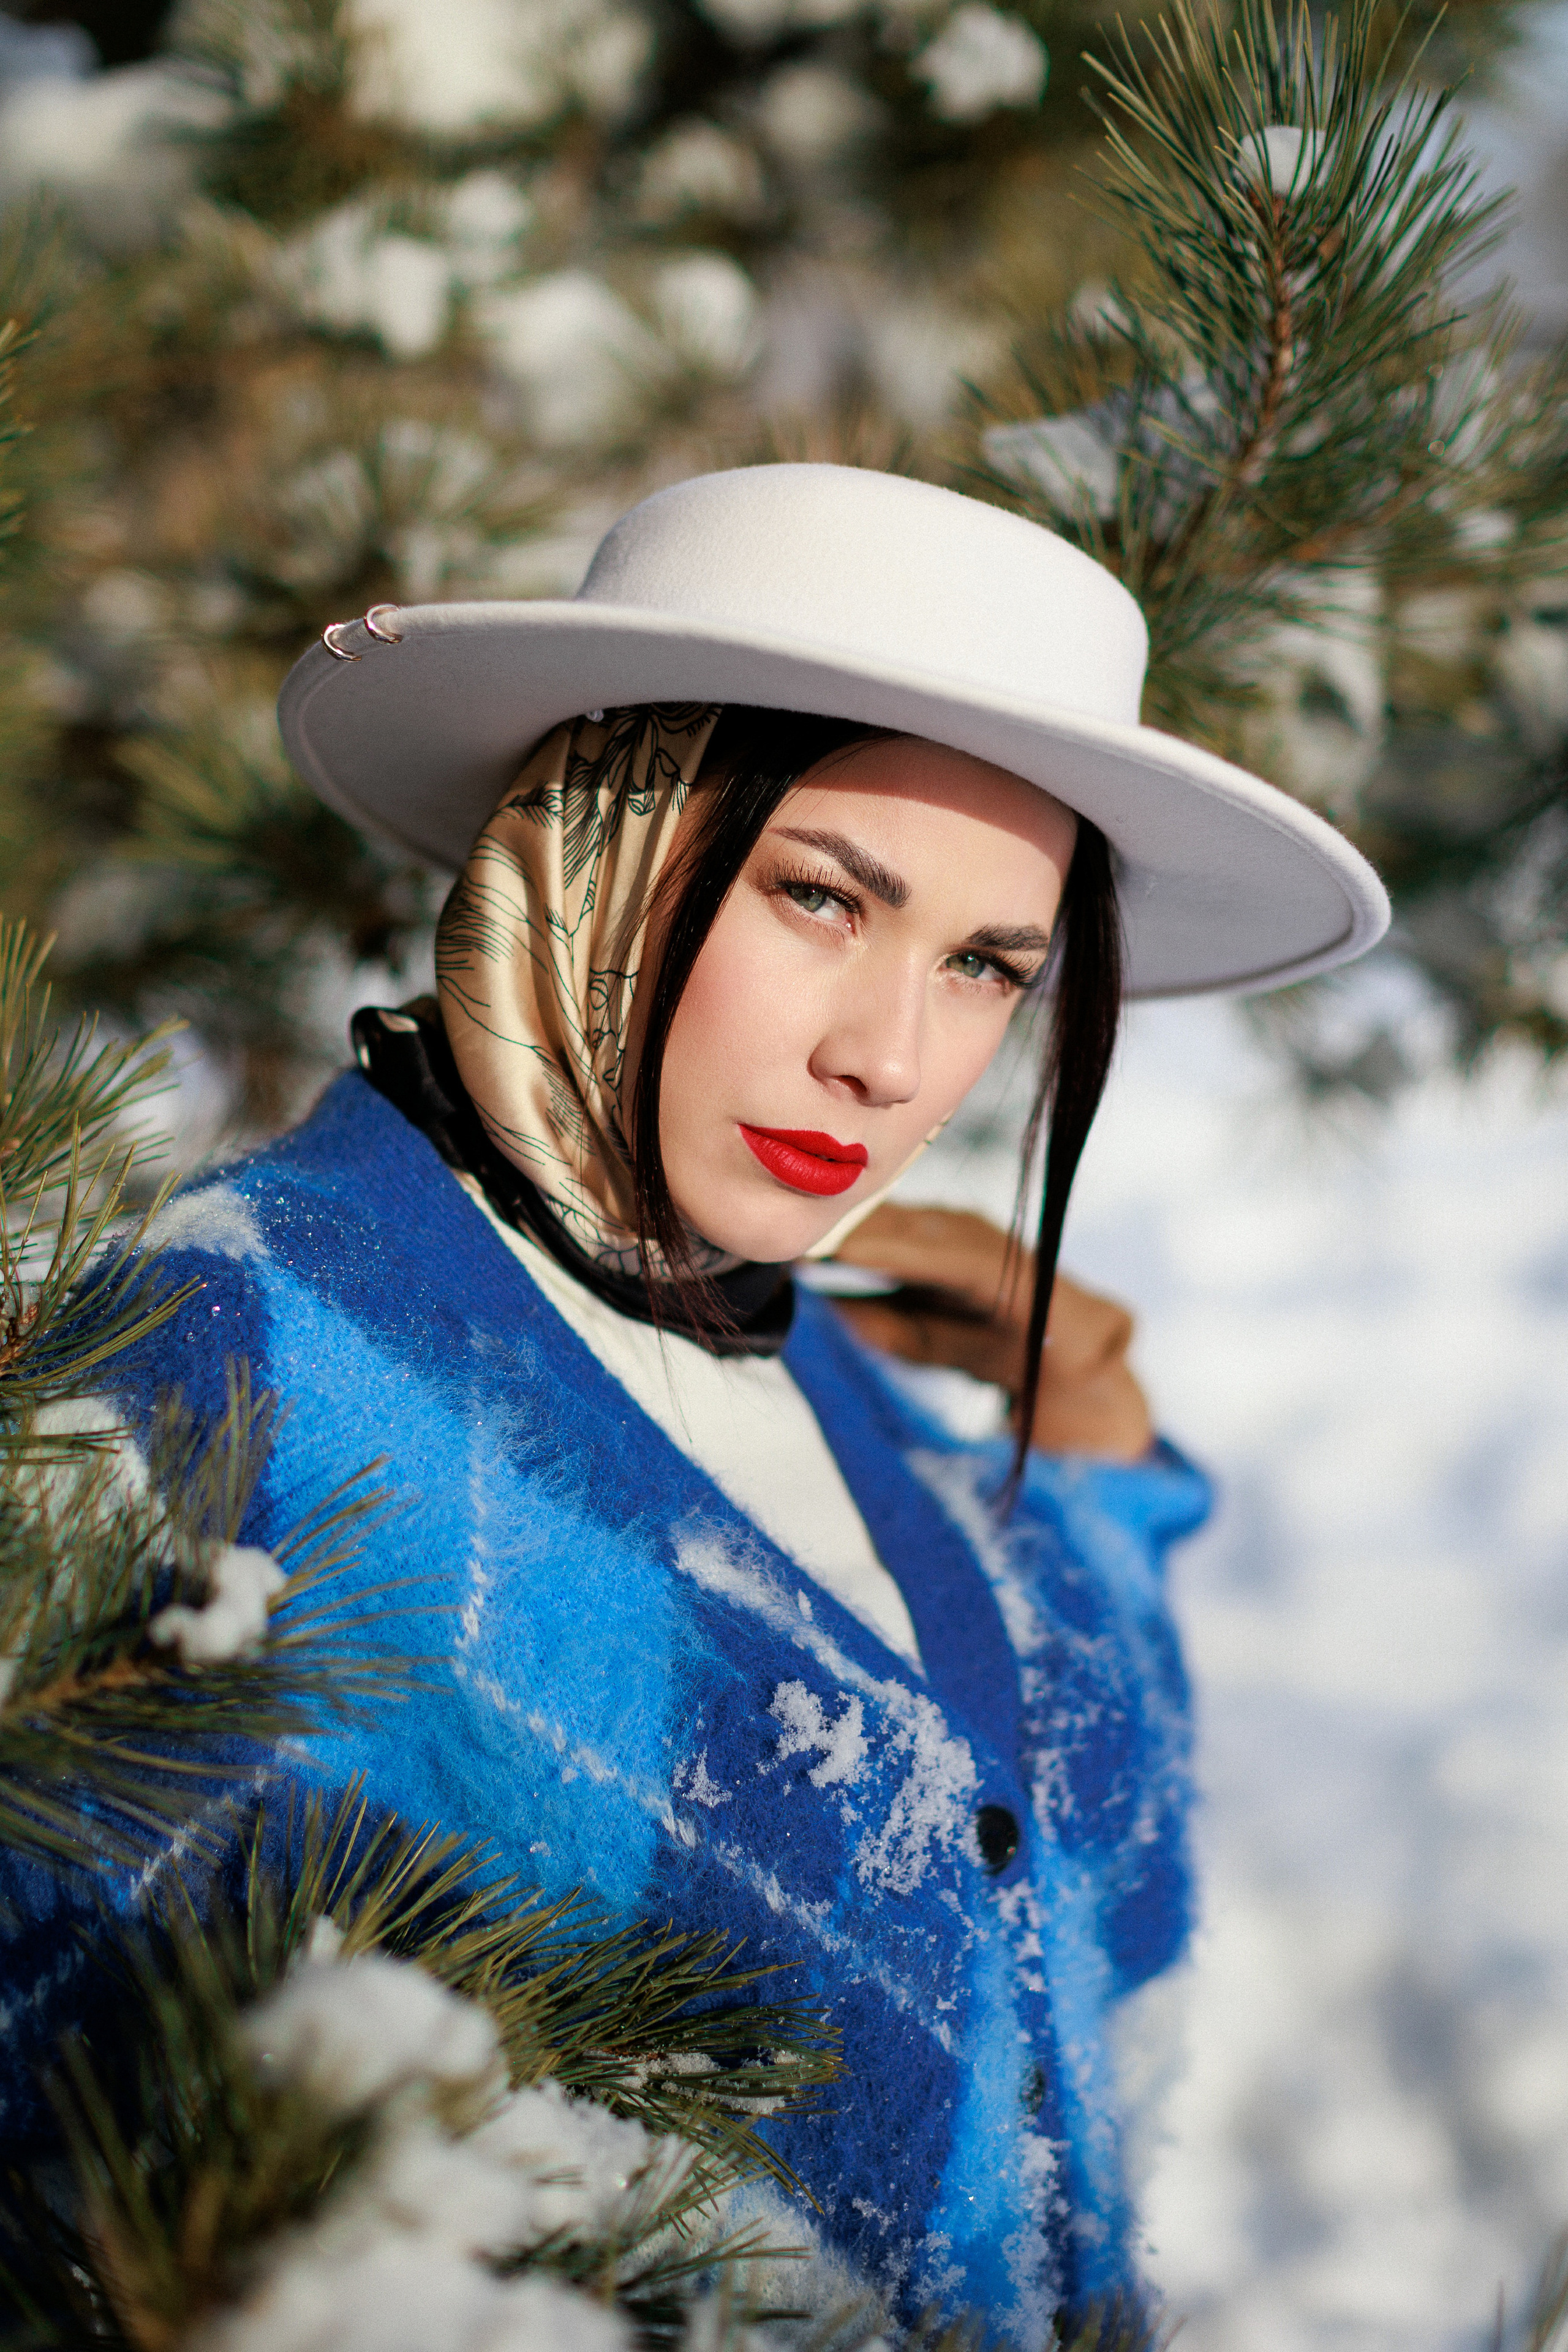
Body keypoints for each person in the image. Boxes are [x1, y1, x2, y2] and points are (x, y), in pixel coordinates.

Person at [6, 466, 1387, 2340]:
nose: (890, 1058)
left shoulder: (852, 1389)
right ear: (601, 836)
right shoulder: (234, 1346)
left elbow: (1028, 1864)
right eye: (820, 896)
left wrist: (1102, 1469)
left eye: (988, 965)